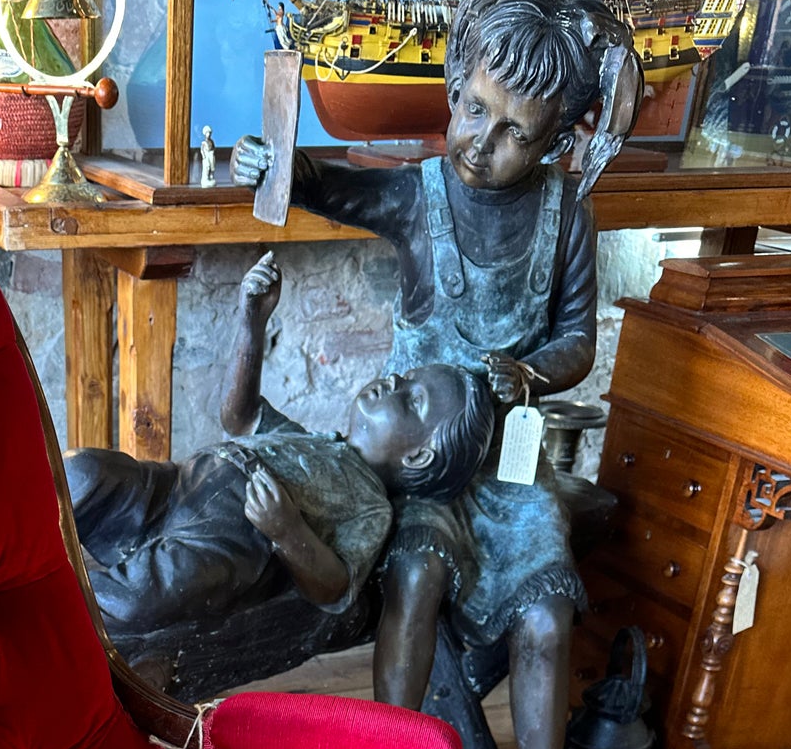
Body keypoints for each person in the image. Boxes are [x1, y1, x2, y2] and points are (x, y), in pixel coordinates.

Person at [233, 0, 642, 749]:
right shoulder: (419, 197)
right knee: (412, 575)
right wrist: (282, 168)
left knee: (546, 603)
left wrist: (532, 372)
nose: (479, 143)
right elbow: (334, 190)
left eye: (514, 133)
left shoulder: (564, 216)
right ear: (453, 84)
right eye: (471, 109)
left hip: (508, 469)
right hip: (420, 477)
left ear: (559, 137)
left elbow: (576, 336)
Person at [67, 252, 494, 652]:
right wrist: (251, 319)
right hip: (179, 482)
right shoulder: (311, 441)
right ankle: (16, 537)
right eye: (403, 377)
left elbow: (336, 587)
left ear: (418, 456)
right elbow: (239, 417)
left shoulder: (372, 505)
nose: (393, 384)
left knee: (146, 593)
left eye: (411, 401)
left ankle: (54, 613)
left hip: (234, 530)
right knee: (84, 473)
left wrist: (287, 530)